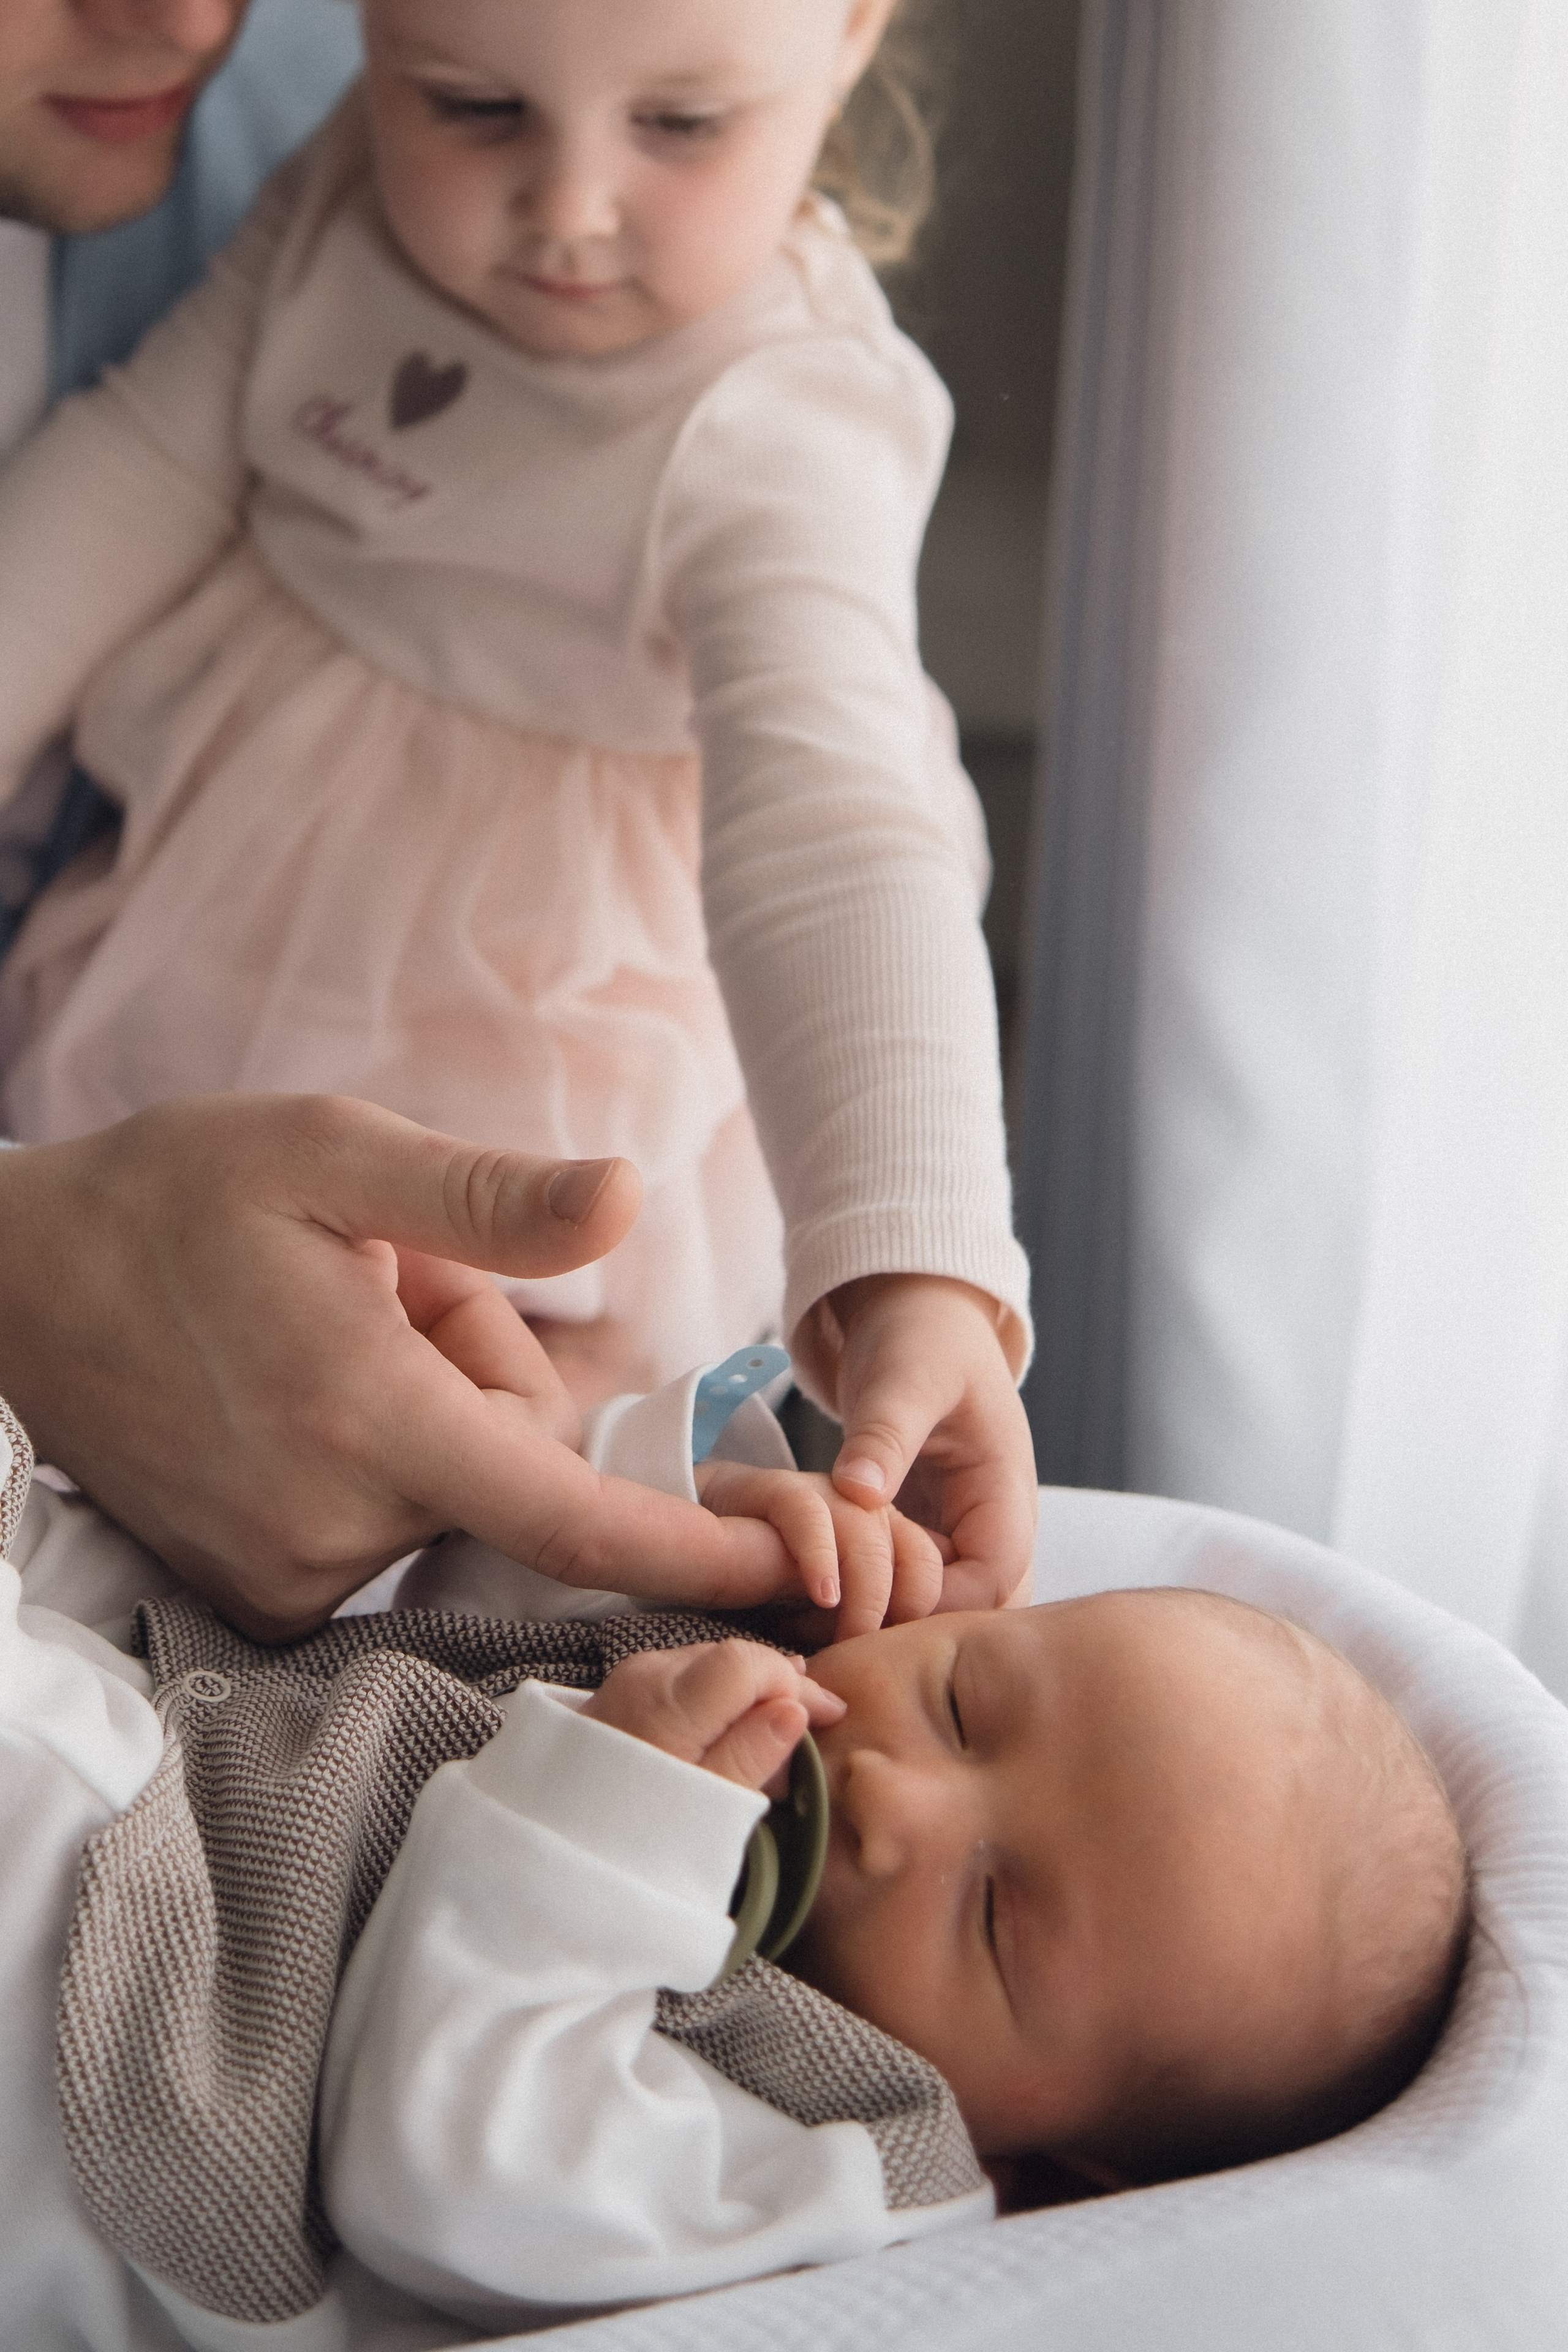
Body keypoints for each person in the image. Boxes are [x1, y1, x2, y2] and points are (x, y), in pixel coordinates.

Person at [0, 0, 1039, 1613]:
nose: (566, 208)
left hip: (534, 1095)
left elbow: (837, 847)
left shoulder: (782, 414)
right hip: (199, 981)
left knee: (493, 1545)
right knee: (109, 1484)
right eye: (473, 107)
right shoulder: (339, 192)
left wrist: (920, 1259)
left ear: (846, 37)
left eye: (679, 127)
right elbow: (127, 478)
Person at [10, 1379, 1466, 2340]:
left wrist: (619, 1822)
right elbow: (469, 1588)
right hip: (168, 1692)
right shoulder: (775, 1673)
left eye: (994, 1916)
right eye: (962, 1702)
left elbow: (452, 2172)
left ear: (1054, 2170)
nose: (897, 1801)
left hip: (138, 2038)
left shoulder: (846, 2148)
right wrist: (690, 1521)